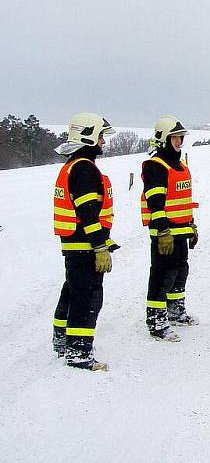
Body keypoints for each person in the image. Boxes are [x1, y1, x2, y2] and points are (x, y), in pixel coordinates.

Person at [52, 112, 118, 371]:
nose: (103, 141)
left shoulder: (73, 165)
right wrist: (100, 246)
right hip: (84, 245)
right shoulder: (84, 169)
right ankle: (78, 352)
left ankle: (62, 341)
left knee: (72, 291)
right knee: (87, 297)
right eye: (100, 136)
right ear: (88, 135)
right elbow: (88, 213)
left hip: (74, 245)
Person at [140, 116, 199, 342]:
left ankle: (176, 311)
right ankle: (156, 321)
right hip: (164, 232)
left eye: (181, 138)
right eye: (175, 137)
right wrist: (162, 230)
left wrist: (192, 225)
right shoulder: (156, 166)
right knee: (162, 275)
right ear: (163, 139)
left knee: (180, 271)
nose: (180, 142)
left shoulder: (181, 166)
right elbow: (155, 201)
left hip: (181, 230)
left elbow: (183, 199)